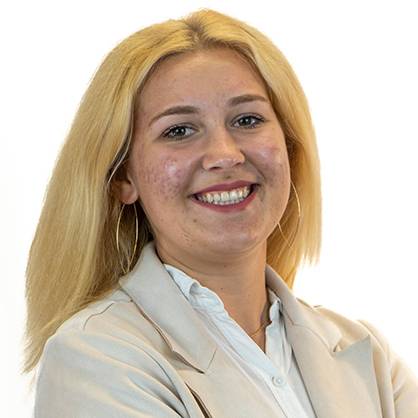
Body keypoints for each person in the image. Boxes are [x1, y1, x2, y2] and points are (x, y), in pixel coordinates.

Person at [24, 8, 418, 418]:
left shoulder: (369, 358)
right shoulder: (97, 358)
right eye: (179, 130)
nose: (225, 155)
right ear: (123, 176)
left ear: (289, 148)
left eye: (247, 119)